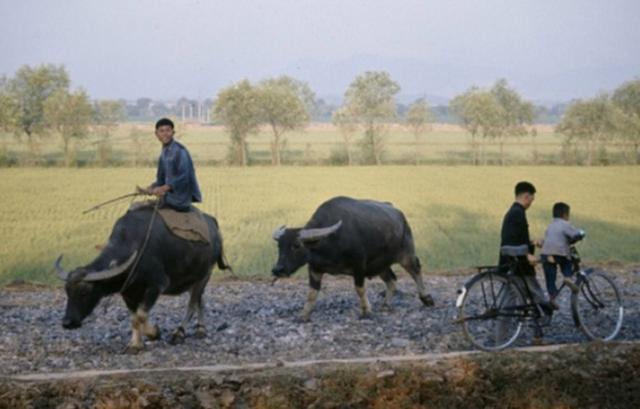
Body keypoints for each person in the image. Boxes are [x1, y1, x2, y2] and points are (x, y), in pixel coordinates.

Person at [498, 181, 552, 344]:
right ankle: (536, 336)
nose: (531, 203)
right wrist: (527, 255)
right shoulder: (517, 213)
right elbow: (510, 241)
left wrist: (532, 242)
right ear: (526, 196)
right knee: (539, 299)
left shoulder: (513, 212)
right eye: (531, 199)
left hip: (512, 266)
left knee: (518, 302)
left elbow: (516, 238)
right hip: (518, 268)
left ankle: (501, 340)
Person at [142, 118, 202, 212]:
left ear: (173, 132)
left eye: (168, 130)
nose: (165, 134)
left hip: (179, 199)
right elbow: (161, 179)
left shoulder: (180, 151)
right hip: (168, 197)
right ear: (156, 134)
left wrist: (164, 188)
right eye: (161, 131)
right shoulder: (163, 154)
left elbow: (184, 176)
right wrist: (151, 188)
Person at [540, 202, 584, 298]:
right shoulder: (565, 224)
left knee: (550, 277)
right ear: (565, 215)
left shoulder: (550, 226)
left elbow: (547, 238)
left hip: (546, 254)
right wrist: (581, 233)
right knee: (567, 263)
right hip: (559, 252)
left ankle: (552, 295)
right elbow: (574, 234)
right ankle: (567, 277)